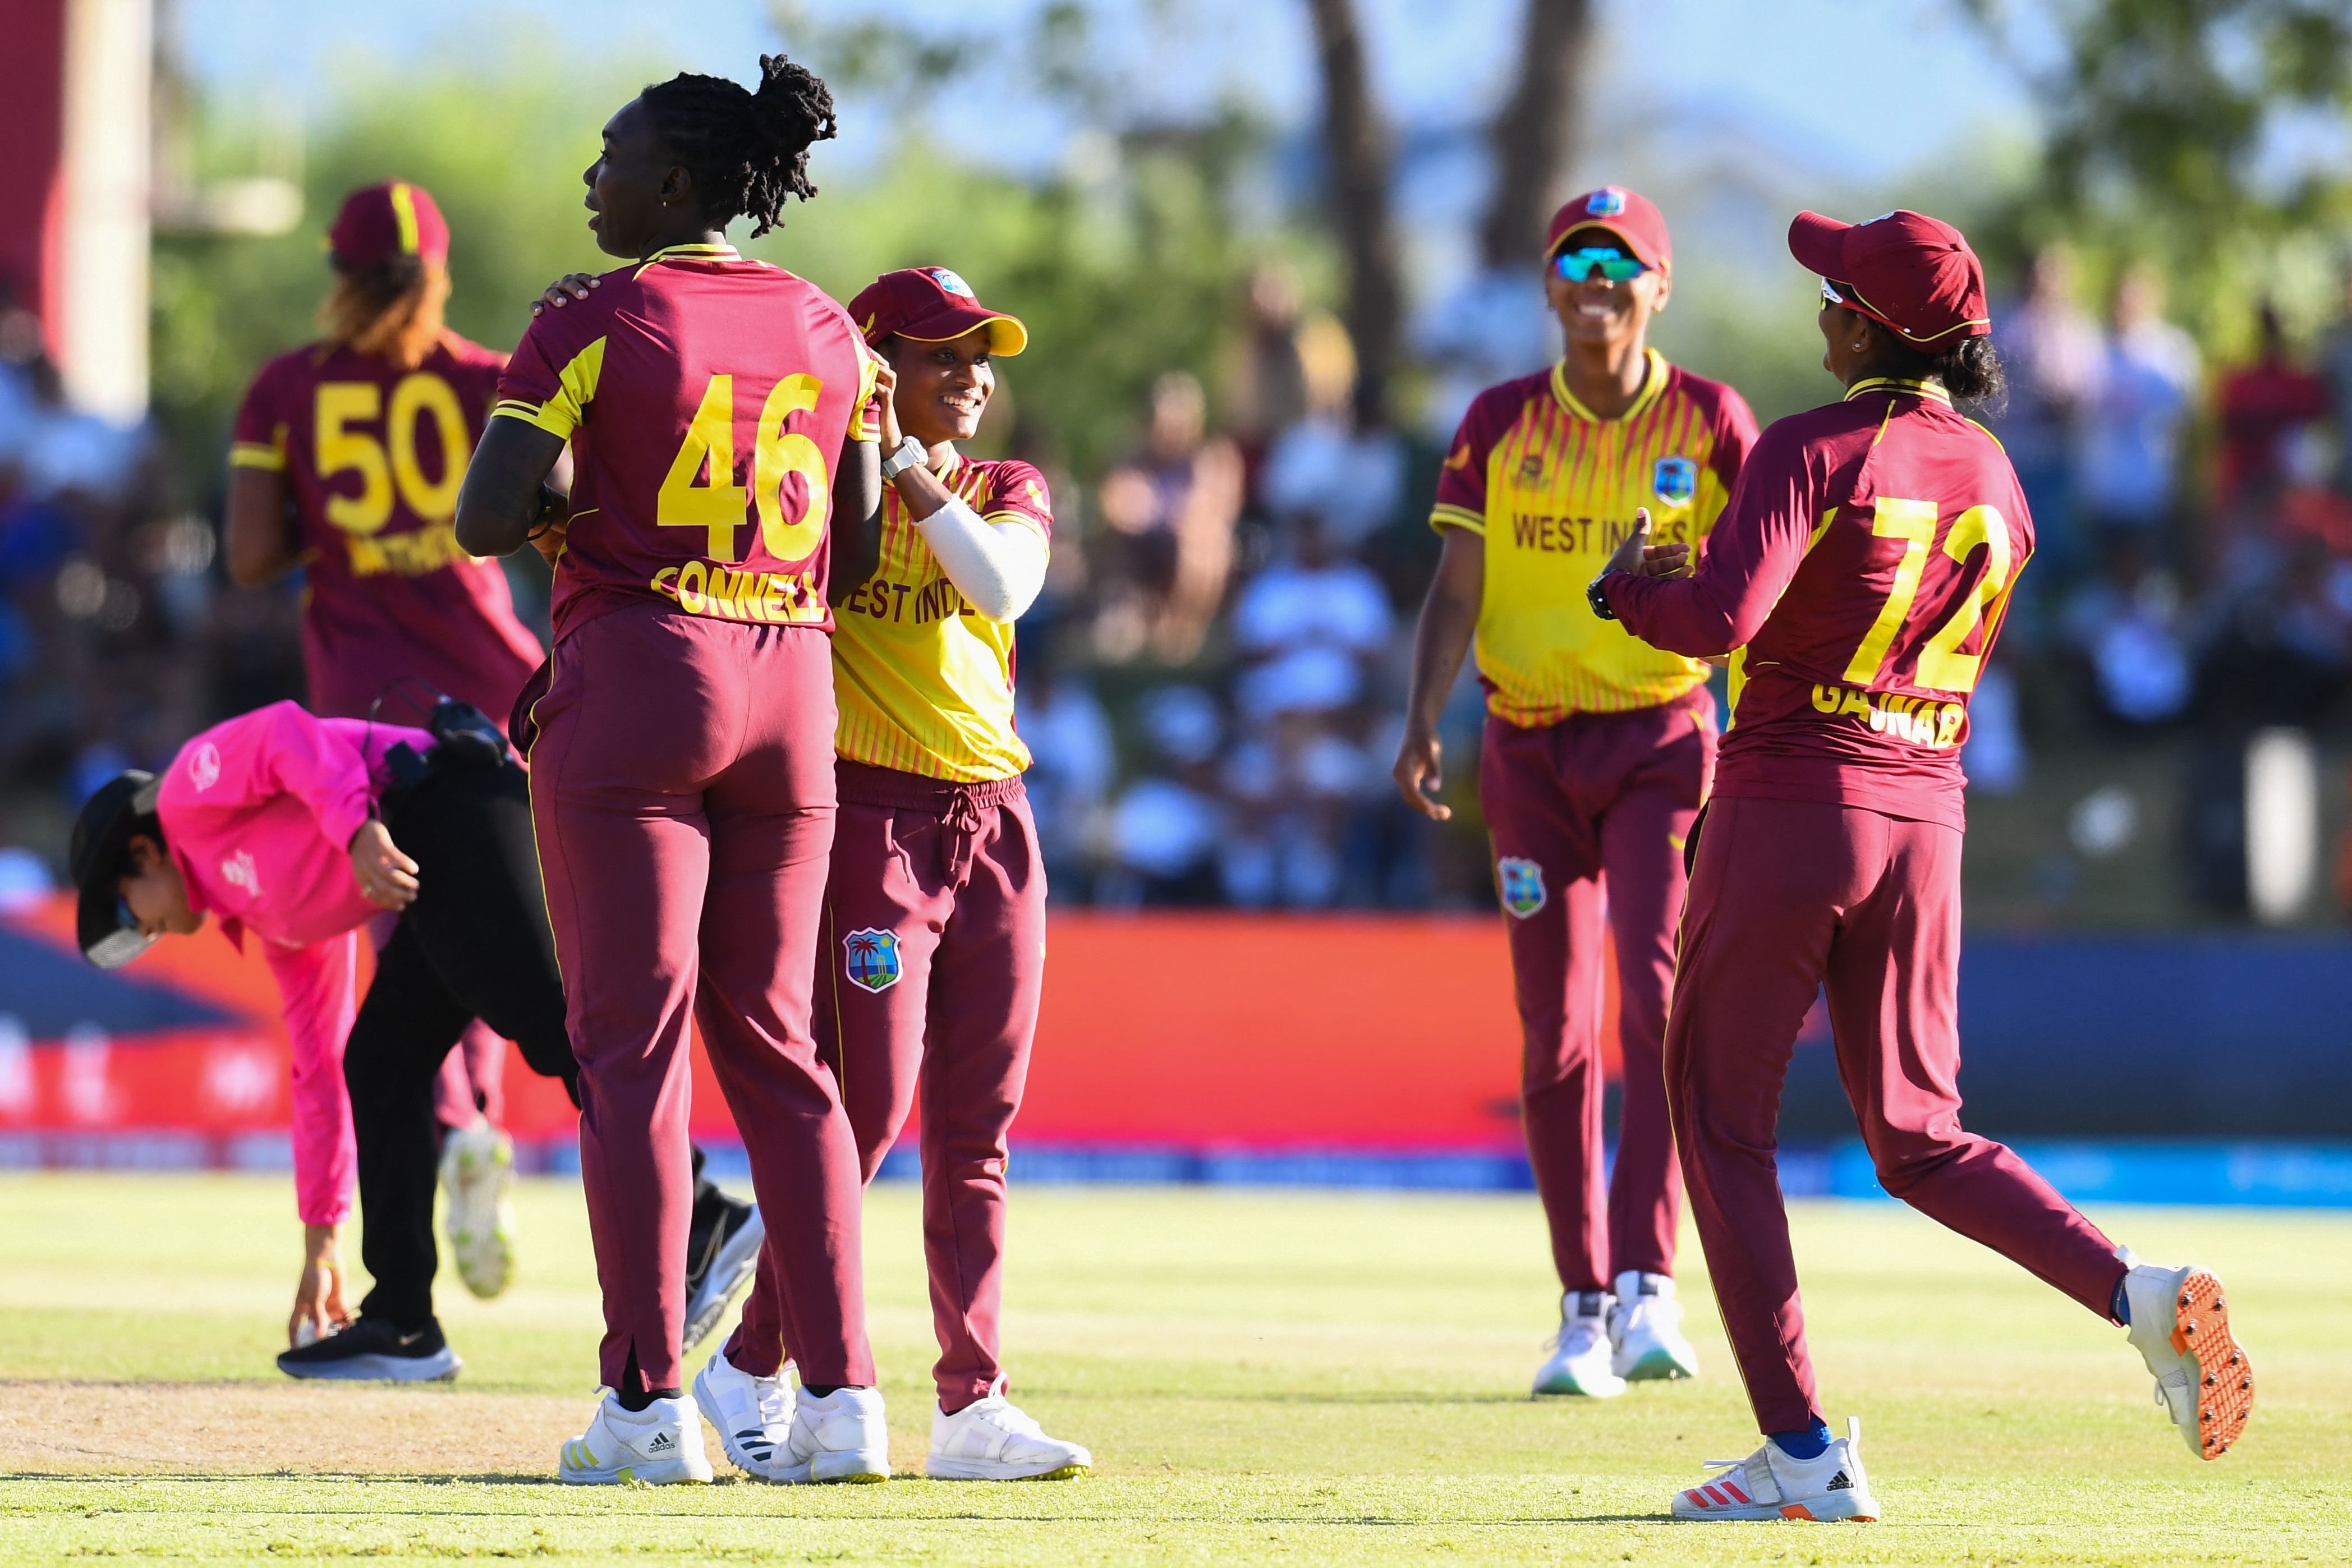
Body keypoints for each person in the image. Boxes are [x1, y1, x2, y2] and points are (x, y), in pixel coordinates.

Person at [1592, 208, 2254, 1523]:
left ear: (1872, 325)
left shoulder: (1809, 444)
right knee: (1920, 1136)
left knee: (1716, 1121)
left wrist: (1629, 591)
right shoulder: (2000, 479)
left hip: (1791, 799)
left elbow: (1718, 620)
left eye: (1831, 292)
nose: (1816, 311)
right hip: (1923, 816)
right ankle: (2131, 1292)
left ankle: (1796, 1456)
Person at [454, 54, 885, 1487]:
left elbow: (480, 513)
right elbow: (863, 550)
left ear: (680, 182)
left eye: (614, 151)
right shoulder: (832, 328)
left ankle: (646, 1404)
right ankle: (841, 1404)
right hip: (794, 690)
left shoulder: (594, 313)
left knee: (633, 1052)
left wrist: (591, 519)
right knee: (782, 1051)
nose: (594, 172)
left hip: (641, 680)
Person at [224, 180, 761, 1332]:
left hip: (375, 723)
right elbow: (565, 504)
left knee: (469, 958)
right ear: (442, 272)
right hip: (507, 691)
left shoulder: (285, 390)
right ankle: (428, 1260)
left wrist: (344, 528)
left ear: (338, 267)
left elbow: (252, 553)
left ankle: (504, 1140)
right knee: (497, 949)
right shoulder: (483, 375)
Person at [687, 266, 1090, 1482]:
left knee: (979, 1123)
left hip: (995, 816)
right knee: (866, 1112)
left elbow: (1004, 584)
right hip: (872, 817)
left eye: (981, 356)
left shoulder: (997, 482)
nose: (972, 375)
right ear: (874, 364)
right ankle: (754, 1358)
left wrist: (906, 458)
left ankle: (972, 1404)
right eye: (939, 355)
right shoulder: (821, 495)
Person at [1393, 186, 1757, 1397]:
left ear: (1658, 287)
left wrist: (1759, 732)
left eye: (1620, 261)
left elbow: (1759, 590)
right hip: (1527, 749)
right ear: (1547, 288)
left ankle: (1651, 1282)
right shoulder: (1499, 419)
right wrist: (1418, 722)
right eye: (1571, 260)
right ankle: (1580, 1305)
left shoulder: (1708, 419)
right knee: (1551, 1030)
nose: (1593, 279)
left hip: (1659, 736)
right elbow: (1456, 583)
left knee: (1651, 1003)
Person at [66, 700, 580, 1381]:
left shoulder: (190, 792)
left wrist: (357, 830)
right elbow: (317, 1074)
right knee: (376, 1065)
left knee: (551, 1026)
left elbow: (285, 732)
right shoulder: (266, 912)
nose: (145, 929)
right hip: (428, 841)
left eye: (128, 909)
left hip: (454, 795)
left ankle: (698, 1217)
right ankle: (402, 1324)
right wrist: (321, 1243)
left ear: (143, 851)